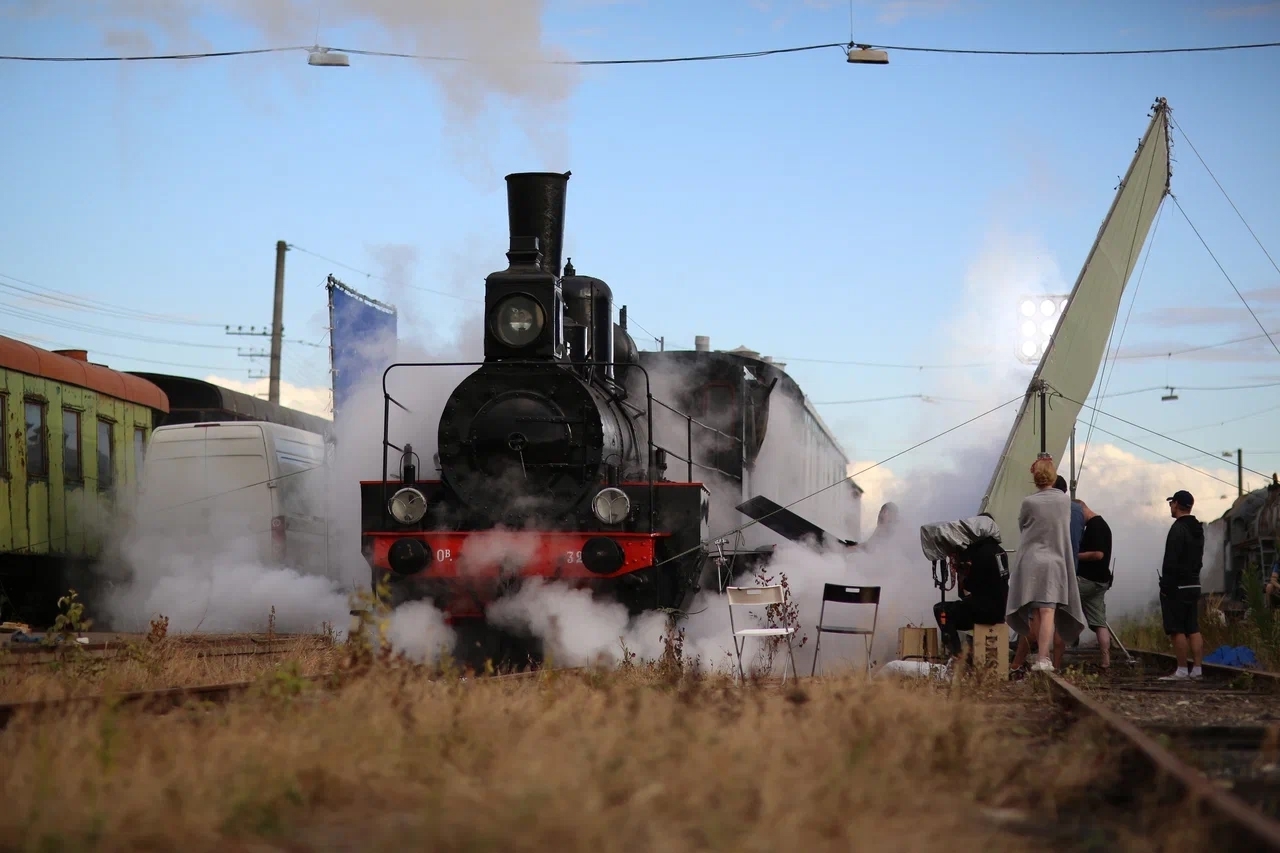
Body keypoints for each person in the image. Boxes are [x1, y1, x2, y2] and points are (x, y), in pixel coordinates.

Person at [1005, 456, 1087, 674]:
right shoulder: (1064, 501)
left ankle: (1037, 658)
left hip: (1032, 561)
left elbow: (1023, 526)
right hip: (1055, 562)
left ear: (1035, 478)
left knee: (1036, 612)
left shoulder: (1029, 502)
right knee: (1048, 610)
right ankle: (1043, 658)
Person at [932, 525, 1010, 659]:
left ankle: (957, 655)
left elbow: (970, 586)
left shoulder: (981, 553)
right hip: (1000, 609)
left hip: (985, 611)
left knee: (941, 610)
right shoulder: (1000, 551)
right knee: (961, 606)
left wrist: (963, 572)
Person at [1159, 489, 1205, 681]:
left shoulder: (1177, 528)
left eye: (1171, 503)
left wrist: (1165, 586)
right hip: (1194, 583)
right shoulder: (1198, 529)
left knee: (1177, 629)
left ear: (1177, 504)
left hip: (1177, 586)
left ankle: (1182, 670)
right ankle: (1197, 669)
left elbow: (1171, 559)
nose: (1170, 506)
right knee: (1193, 628)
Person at [1074, 499, 1114, 671]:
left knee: (1057, 604)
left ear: (1081, 510)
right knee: (1099, 622)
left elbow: (1098, 554)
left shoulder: (1095, 526)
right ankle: (1105, 661)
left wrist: (1074, 555)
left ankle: (1050, 653)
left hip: (1087, 580)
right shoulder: (1100, 524)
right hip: (1100, 581)